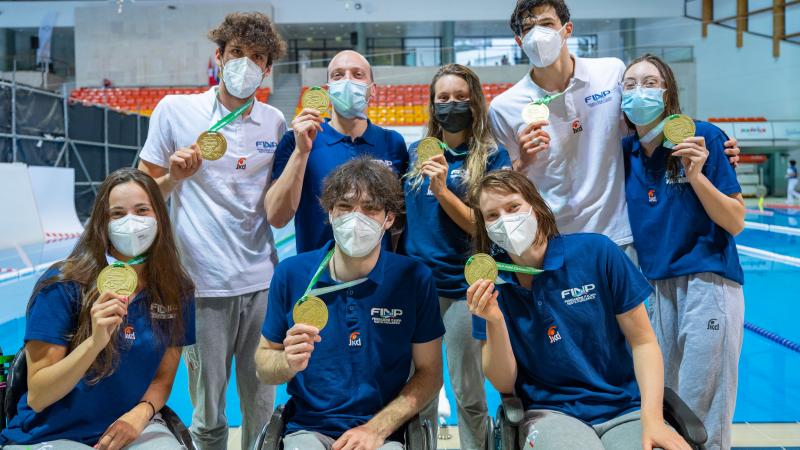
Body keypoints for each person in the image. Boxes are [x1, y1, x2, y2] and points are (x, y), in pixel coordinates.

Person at [136, 12, 286, 450]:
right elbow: (142, 199)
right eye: (237, 53)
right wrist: (175, 178)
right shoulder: (176, 110)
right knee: (208, 414)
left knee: (261, 409)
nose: (246, 64)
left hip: (261, 283)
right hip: (201, 287)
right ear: (219, 56)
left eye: (257, 57)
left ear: (267, 68)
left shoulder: (275, 122)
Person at [488, 0, 740, 254]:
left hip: (617, 234)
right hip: (552, 238)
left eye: (546, 24)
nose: (538, 35)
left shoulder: (610, 72)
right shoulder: (504, 107)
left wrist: (714, 141)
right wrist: (523, 161)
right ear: (519, 41)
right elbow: (504, 186)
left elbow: (647, 122)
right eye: (528, 29)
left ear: (567, 29)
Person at [466, 170, 691, 450]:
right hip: (550, 414)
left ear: (535, 207)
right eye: (492, 216)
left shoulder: (598, 253)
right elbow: (503, 382)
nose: (505, 220)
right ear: (485, 227)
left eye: (513, 207)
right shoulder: (490, 285)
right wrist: (495, 320)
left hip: (626, 409)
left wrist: (654, 419)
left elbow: (643, 341)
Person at [255, 157, 444, 450]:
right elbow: (264, 364)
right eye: (345, 207)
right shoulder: (292, 274)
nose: (357, 218)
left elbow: (430, 373)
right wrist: (286, 362)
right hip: (308, 428)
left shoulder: (413, 278)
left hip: (384, 433)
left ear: (389, 219)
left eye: (370, 209)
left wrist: (376, 429)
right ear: (330, 213)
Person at [0, 168, 195, 450]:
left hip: (128, 427)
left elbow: (163, 379)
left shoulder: (175, 289)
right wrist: (94, 343)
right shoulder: (63, 285)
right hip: (50, 434)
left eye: (142, 210)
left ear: (160, 219)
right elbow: (39, 395)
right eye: (117, 214)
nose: (131, 222)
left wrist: (140, 415)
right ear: (102, 224)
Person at [621, 53, 745, 450]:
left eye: (650, 82)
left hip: (706, 283)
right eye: (629, 84)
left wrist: (696, 176)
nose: (639, 90)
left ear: (668, 91)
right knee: (666, 404)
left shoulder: (703, 138)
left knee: (703, 407)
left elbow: (735, 220)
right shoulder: (625, 153)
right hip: (654, 289)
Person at [403, 64, 511, 449]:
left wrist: (443, 189)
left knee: (468, 392)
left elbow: (485, 227)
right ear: (432, 106)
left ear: (475, 102)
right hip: (419, 289)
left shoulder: (492, 157)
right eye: (443, 99)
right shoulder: (416, 153)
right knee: (421, 393)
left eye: (460, 98)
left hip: (467, 288)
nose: (451, 105)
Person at [266, 50, 409, 253]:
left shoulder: (392, 142)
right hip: (318, 274)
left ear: (373, 89)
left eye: (357, 75)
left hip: (377, 275)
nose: (347, 81)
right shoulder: (297, 140)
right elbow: (277, 217)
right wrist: (301, 151)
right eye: (338, 75)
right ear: (328, 90)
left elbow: (398, 219)